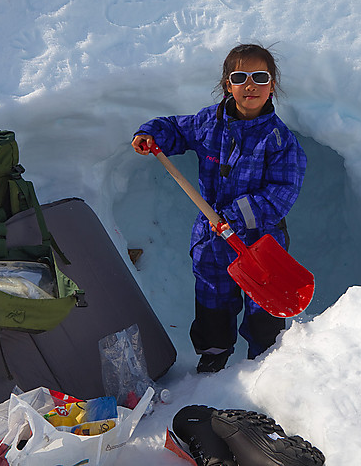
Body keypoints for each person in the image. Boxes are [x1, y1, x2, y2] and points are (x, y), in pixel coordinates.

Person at [132, 44, 307, 373]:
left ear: (272, 84)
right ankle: (213, 356)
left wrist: (237, 214)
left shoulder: (280, 140)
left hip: (261, 241)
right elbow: (175, 129)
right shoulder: (208, 124)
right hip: (212, 239)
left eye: (260, 76)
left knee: (263, 307)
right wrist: (151, 134)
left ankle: (266, 364)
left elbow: (282, 192)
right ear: (228, 84)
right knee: (213, 300)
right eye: (240, 77)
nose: (250, 85)